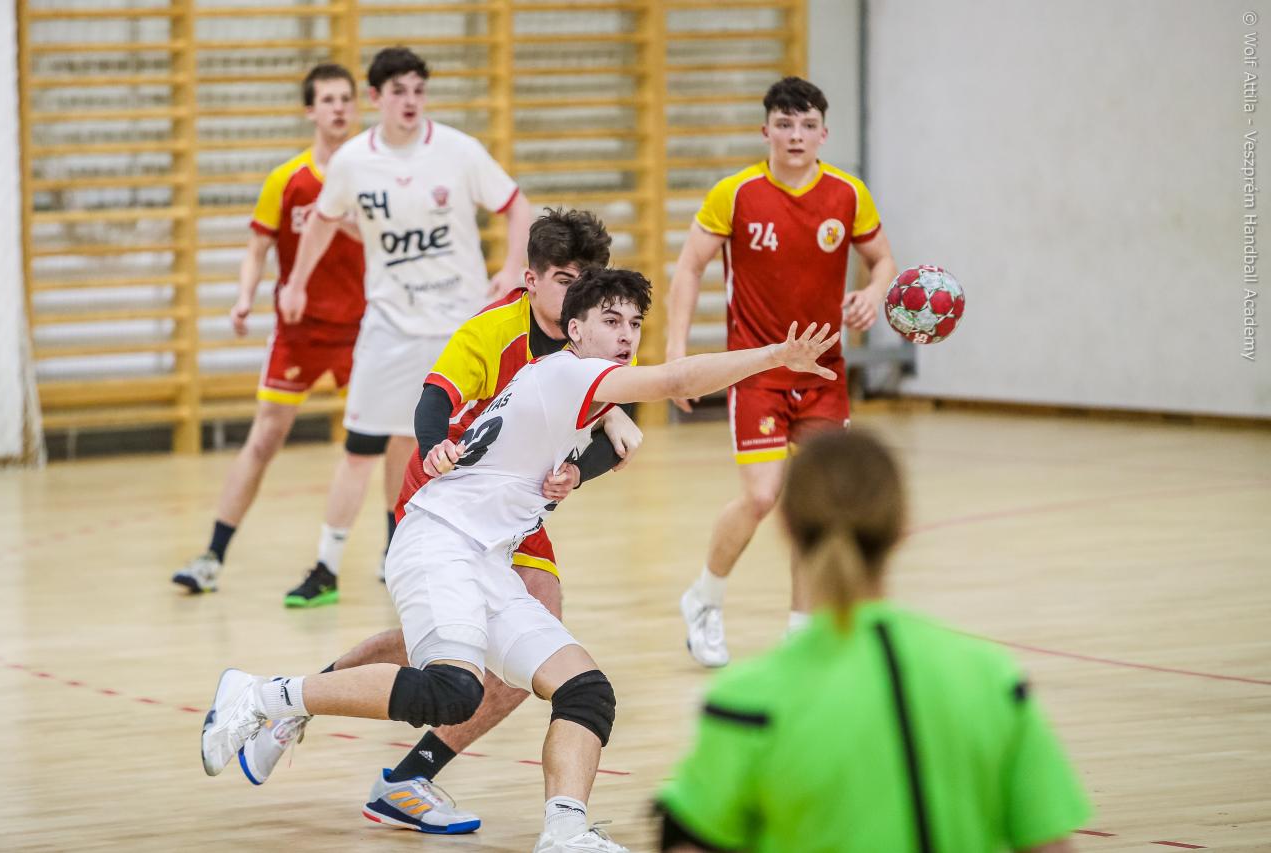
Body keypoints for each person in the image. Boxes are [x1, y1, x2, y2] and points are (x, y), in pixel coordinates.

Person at [199, 267, 841, 853]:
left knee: (586, 692)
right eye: (611, 321)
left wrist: (586, 460)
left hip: (486, 558)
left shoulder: (577, 386)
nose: (626, 335)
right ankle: (263, 695)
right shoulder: (569, 373)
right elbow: (674, 381)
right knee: (452, 689)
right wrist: (774, 357)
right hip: (439, 540)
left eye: (634, 323)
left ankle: (565, 830)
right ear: (575, 329)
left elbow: (610, 436)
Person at [232, 209, 641, 838]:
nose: (576, 294)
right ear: (531, 279)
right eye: (564, 280)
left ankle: (398, 773)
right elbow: (434, 400)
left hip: (514, 506)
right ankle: (301, 706)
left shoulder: (600, 330)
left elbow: (619, 433)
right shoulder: (493, 331)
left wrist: (577, 472)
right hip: (446, 488)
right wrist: (432, 448)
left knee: (502, 647)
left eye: (586, 281)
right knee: (467, 640)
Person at [655, 430, 1090, 853]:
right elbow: (1051, 844)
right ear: (902, 527)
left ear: (785, 528)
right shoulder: (994, 679)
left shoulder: (746, 701)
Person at [277, 46, 531, 607]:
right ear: (376, 98)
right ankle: (326, 567)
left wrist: (513, 268)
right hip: (390, 328)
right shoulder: (352, 162)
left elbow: (518, 206)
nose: (411, 101)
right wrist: (295, 283)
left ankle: (432, 553)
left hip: (458, 330)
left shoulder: (459, 151)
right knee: (362, 448)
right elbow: (322, 223)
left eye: (419, 89)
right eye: (398, 91)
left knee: (457, 450)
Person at [666, 76, 899, 666]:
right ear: (765, 130)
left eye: (807, 125)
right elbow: (689, 266)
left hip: (824, 373)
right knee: (764, 496)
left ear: (824, 133)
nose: (796, 135)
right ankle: (704, 599)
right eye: (785, 124)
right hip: (758, 370)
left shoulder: (848, 194)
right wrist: (676, 354)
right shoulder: (736, 194)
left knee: (817, 503)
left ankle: (801, 631)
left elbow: (883, 261)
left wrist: (874, 292)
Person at [172, 63, 364, 594]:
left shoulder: (371, 176)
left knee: (392, 438)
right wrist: (243, 299)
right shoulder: (287, 180)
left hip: (363, 328)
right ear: (310, 111)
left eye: (346, 99)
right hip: (300, 330)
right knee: (264, 439)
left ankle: (396, 550)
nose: (339, 108)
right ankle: (212, 555)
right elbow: (257, 248)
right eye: (328, 100)